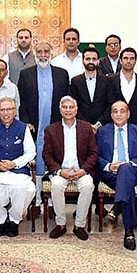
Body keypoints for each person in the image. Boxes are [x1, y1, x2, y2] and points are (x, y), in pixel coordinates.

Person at [17, 41, 70, 204]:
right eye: (39, 51)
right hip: (34, 124)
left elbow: (66, 99)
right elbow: (22, 100)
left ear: (51, 53)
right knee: (38, 158)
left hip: (55, 124)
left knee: (55, 156)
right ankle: (38, 198)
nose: (42, 55)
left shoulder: (62, 74)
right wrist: (26, 121)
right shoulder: (26, 74)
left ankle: (54, 201)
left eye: (46, 51)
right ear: (34, 54)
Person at [95, 101, 137, 250]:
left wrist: (128, 165)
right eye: (115, 111)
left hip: (135, 171)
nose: (119, 114)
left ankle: (117, 208)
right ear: (111, 115)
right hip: (111, 174)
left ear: (128, 114)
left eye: (122, 111)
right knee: (126, 186)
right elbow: (96, 156)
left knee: (125, 171)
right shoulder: (103, 131)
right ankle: (129, 231)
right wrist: (109, 166)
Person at [43, 96, 98, 241]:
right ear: (60, 110)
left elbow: (93, 153)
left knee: (87, 185)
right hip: (61, 171)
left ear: (76, 109)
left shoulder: (86, 128)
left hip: (81, 170)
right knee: (56, 185)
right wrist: (60, 171)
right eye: (65, 107)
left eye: (71, 107)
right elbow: (47, 155)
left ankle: (79, 225)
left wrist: (83, 170)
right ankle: (60, 224)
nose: (68, 110)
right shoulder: (51, 130)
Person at [0, 98, 36, 237]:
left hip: (18, 171)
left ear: (14, 111)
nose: (6, 113)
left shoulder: (23, 128)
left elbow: (31, 152)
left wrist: (15, 163)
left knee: (25, 188)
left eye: (9, 109)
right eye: (2, 110)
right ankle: (0, 219)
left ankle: (14, 221)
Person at [69, 47, 111, 132]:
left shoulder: (107, 81)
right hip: (81, 128)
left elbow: (110, 104)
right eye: (88, 59)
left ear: (98, 61)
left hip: (103, 127)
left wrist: (99, 123)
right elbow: (74, 105)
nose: (91, 62)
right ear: (83, 61)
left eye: (94, 59)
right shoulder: (75, 81)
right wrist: (87, 125)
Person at [107, 47, 137, 127]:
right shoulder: (110, 80)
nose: (128, 61)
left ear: (135, 61)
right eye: (125, 58)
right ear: (120, 61)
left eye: (132, 58)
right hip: (114, 125)